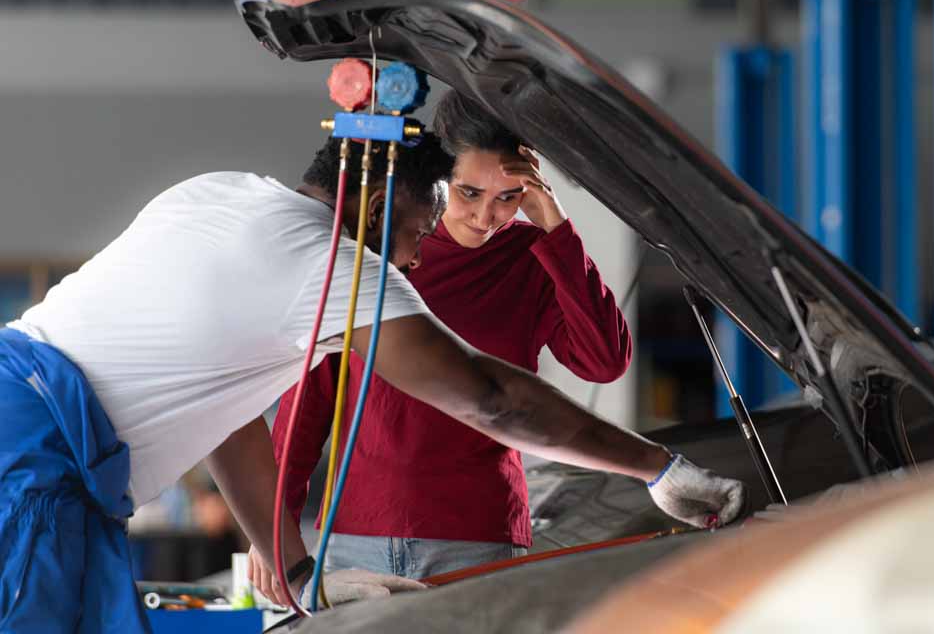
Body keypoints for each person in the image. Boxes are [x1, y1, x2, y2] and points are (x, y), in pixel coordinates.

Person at [0, 132, 744, 630]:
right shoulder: (329, 264)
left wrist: (294, 567)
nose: (417, 258)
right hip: (37, 464)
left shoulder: (218, 192)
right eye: (422, 230)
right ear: (383, 205)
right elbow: (490, 398)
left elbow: (225, 414)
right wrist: (657, 466)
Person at [267, 91, 634, 581]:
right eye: (469, 193)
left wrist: (555, 227)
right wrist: (274, 528)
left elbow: (604, 362)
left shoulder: (535, 257)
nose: (486, 217)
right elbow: (308, 396)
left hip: (479, 538)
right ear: (439, 178)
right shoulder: (383, 246)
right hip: (356, 534)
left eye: (509, 197)